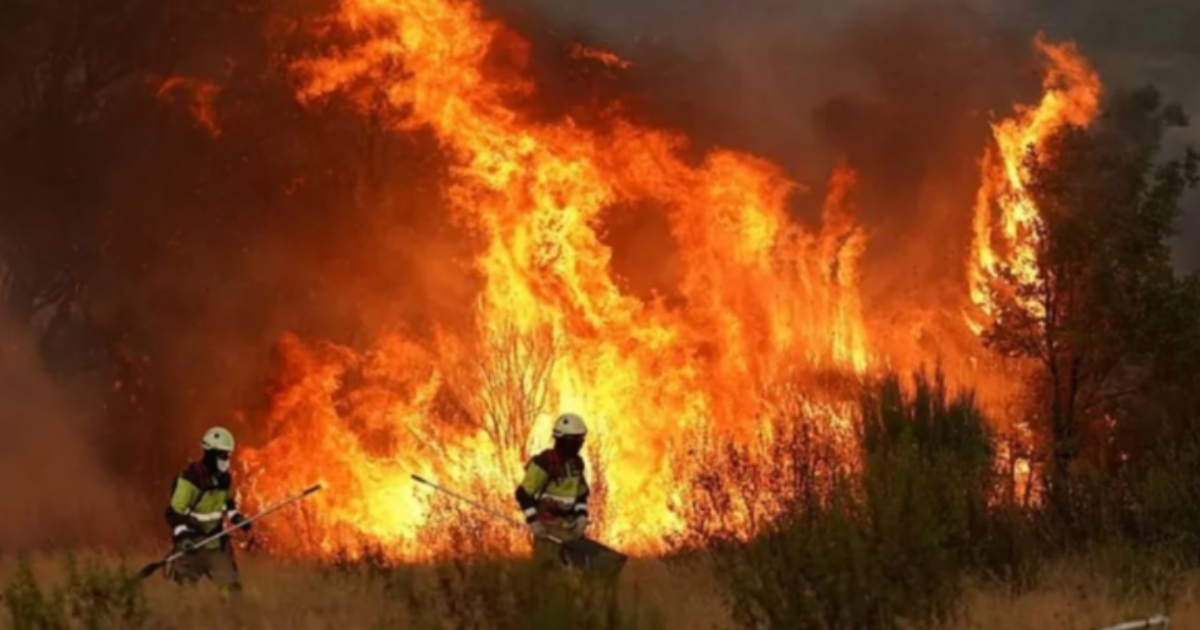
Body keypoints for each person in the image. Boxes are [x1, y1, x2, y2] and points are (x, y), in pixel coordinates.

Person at [164, 426, 250, 597]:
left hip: (216, 544)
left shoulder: (224, 479)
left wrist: (237, 518)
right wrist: (183, 536)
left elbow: (228, 504)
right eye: (223, 455)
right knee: (182, 595)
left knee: (232, 593)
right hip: (191, 547)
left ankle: (232, 622)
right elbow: (173, 513)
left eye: (228, 455)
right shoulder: (191, 479)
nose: (226, 459)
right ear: (210, 454)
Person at [515, 412, 590, 571]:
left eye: (581, 440)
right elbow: (523, 494)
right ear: (563, 440)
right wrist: (534, 521)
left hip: (569, 528)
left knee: (577, 572)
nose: (580, 444)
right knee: (547, 573)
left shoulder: (577, 464)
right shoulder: (545, 462)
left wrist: (582, 516)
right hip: (547, 528)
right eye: (576, 440)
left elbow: (580, 495)